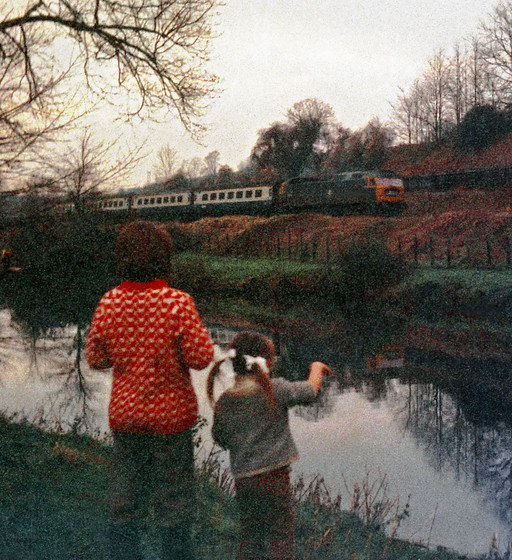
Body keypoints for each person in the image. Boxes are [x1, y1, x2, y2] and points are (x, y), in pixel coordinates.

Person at [85, 221, 215, 560]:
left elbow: (96, 358)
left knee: (125, 498)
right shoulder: (178, 302)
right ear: (165, 259)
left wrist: (127, 351)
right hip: (170, 420)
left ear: (121, 258)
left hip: (127, 417)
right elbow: (201, 358)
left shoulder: (109, 302)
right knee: (173, 501)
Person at [207, 331, 331, 560]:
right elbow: (311, 391)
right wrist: (316, 368)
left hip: (244, 479)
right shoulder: (276, 389)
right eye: (273, 358)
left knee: (249, 534)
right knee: (280, 534)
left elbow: (220, 437)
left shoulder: (226, 400)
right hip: (275, 477)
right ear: (267, 363)